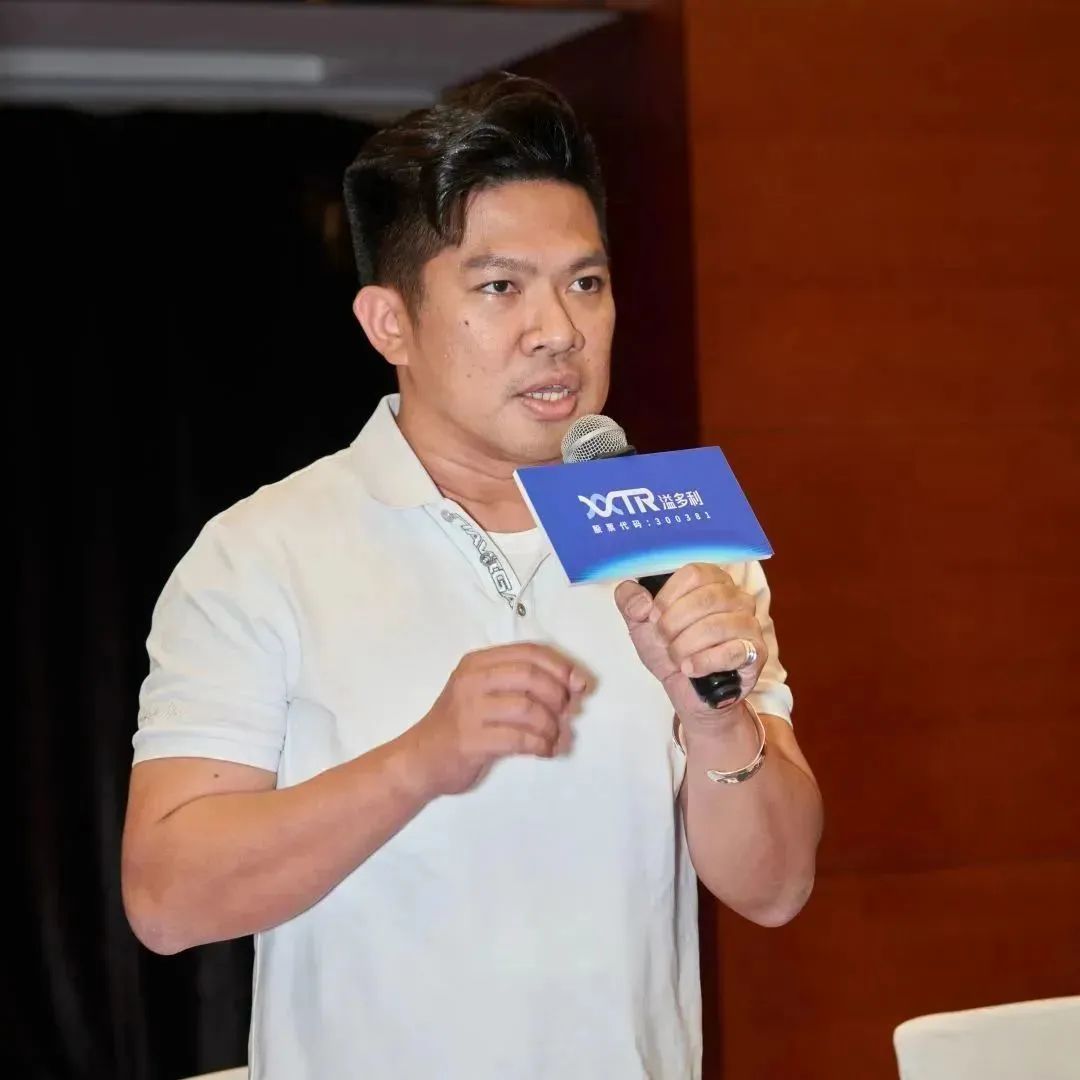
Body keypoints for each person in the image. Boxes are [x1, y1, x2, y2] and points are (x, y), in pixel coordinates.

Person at [121, 73, 823, 1080]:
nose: (559, 330)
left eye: (586, 283)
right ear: (389, 323)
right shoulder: (259, 551)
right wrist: (422, 761)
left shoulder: (681, 543)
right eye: (501, 288)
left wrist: (716, 723)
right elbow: (166, 898)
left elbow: (777, 888)